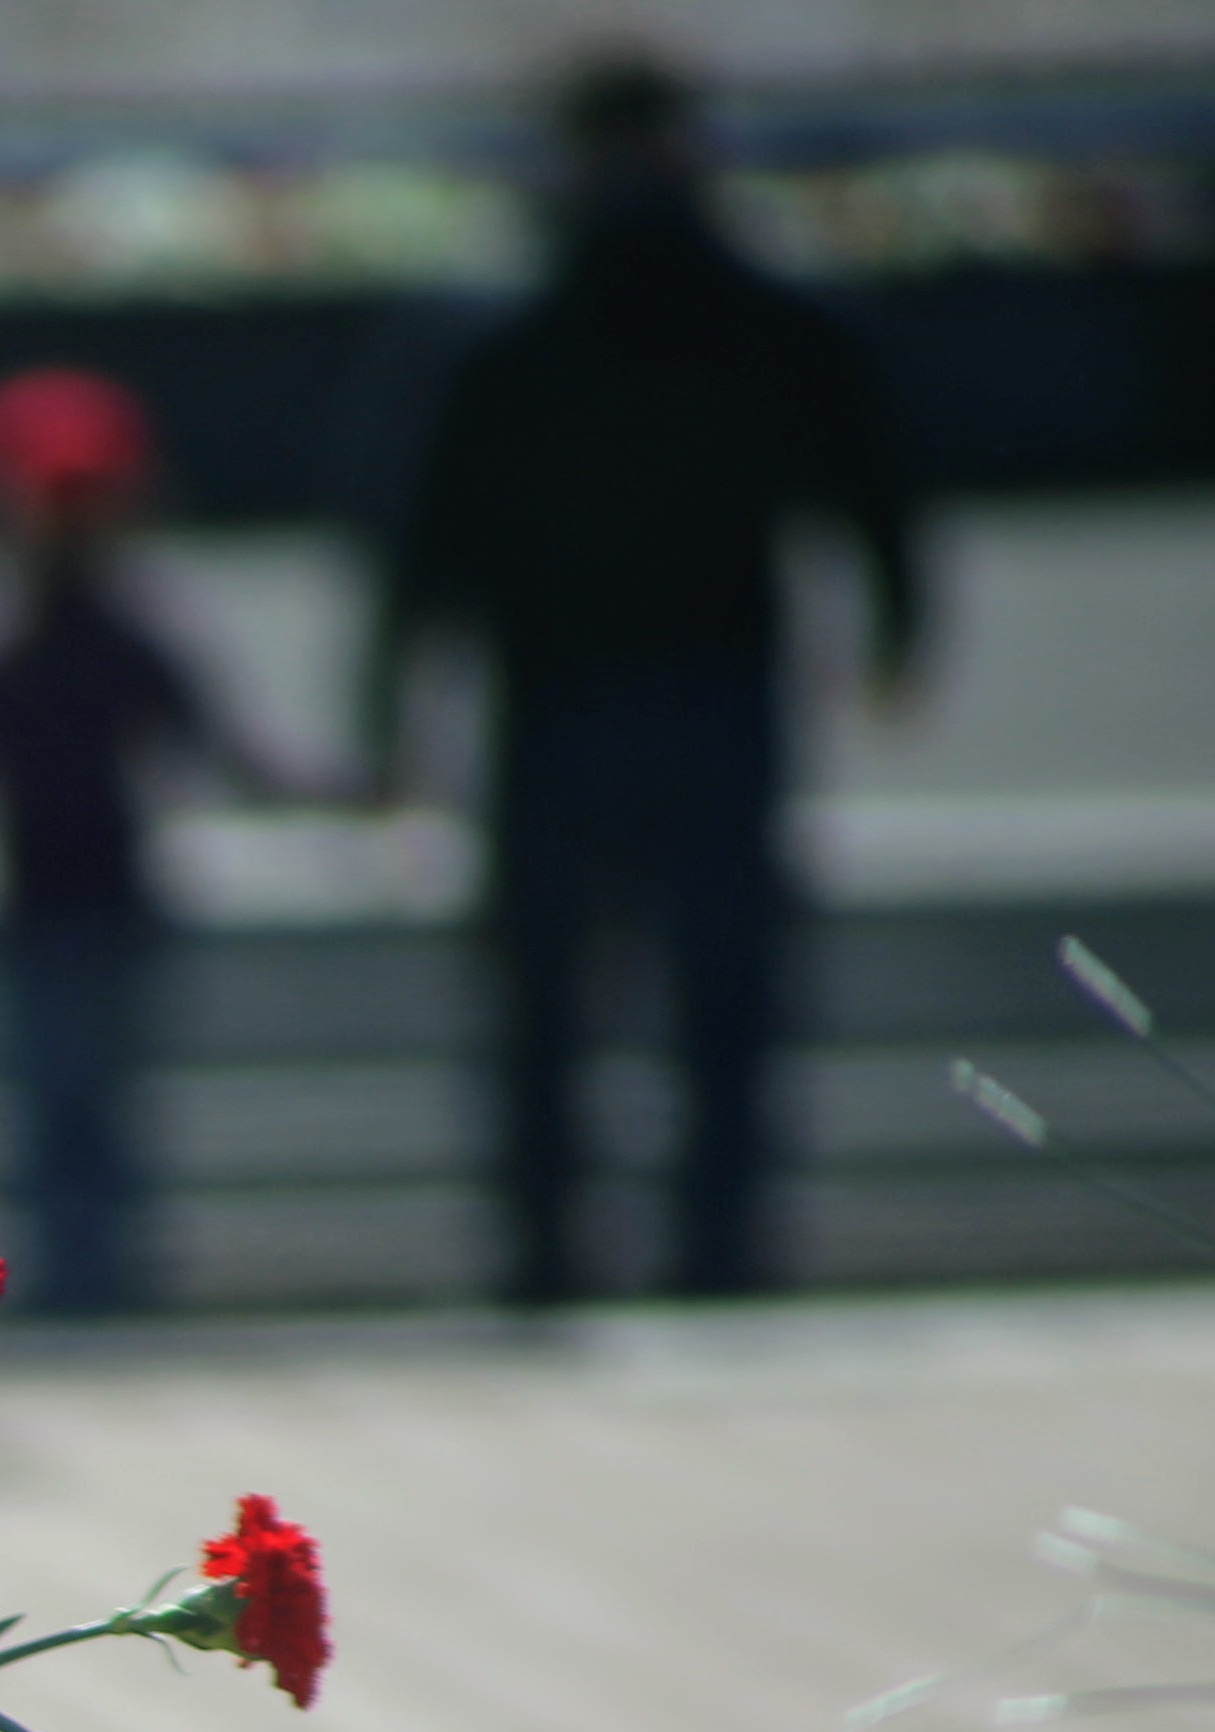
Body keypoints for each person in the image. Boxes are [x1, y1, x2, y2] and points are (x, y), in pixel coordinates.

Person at [362, 48, 922, 1309]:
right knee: (598, 1003)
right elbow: (423, 531)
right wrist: (394, 704)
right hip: (600, 700)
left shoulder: (553, 327)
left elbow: (870, 478)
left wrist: (392, 705)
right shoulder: (534, 330)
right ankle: (592, 1254)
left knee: (666, 999)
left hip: (665, 694)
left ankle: (660, 1254)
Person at [0, 365, 289, 1322]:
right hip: (59, 903)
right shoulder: (32, 641)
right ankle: (85, 1278)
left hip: (92, 901)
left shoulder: (37, 639)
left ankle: (90, 1279)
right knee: (71, 1099)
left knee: (80, 1099)